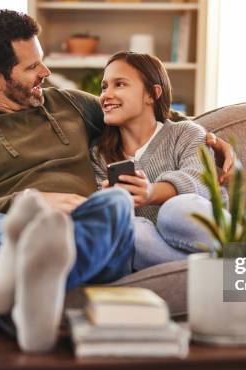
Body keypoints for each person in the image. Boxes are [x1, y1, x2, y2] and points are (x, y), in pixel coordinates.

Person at [0, 10, 235, 352]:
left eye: (41, 62)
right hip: (11, 223)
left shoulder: (66, 104)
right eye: (31, 68)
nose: (46, 72)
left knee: (114, 204)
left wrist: (207, 137)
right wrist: (24, 203)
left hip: (85, 221)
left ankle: (21, 291)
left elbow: (142, 108)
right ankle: (28, 290)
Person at [91, 52, 228, 270]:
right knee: (130, 231)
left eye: (120, 84)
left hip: (203, 232)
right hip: (159, 250)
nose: (107, 94)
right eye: (104, 86)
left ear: (152, 94)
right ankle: (223, 275)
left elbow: (201, 181)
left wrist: (150, 193)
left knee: (175, 210)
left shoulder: (186, 133)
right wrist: (113, 201)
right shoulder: (100, 154)